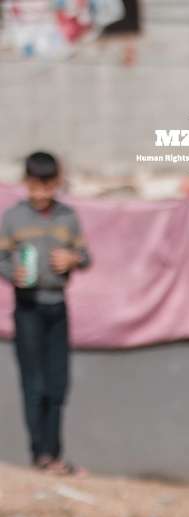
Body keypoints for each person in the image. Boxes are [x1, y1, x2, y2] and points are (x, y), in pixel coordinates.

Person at [1, 151, 92, 476]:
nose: (41, 194)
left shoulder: (68, 217)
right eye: (34, 186)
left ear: (56, 184)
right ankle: (39, 453)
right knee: (34, 384)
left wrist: (72, 259)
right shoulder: (13, 218)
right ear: (26, 184)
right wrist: (14, 273)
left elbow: (85, 255)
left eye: (47, 186)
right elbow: (2, 258)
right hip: (27, 308)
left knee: (57, 384)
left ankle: (54, 454)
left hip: (57, 305)